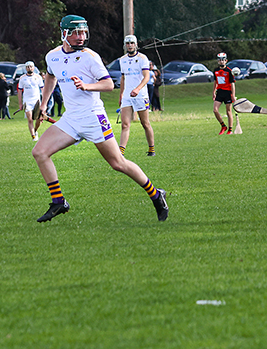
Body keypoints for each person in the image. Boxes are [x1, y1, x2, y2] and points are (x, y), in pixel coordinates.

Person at [32, 14, 168, 223]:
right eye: (76, 32)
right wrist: (43, 104)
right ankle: (59, 202)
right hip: (71, 119)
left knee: (118, 163)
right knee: (40, 152)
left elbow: (108, 84)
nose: (81, 37)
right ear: (64, 34)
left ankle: (156, 194)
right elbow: (51, 76)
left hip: (93, 117)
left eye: (84, 32)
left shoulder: (89, 57)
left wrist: (87, 86)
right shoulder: (52, 56)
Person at [117, 34, 156, 156]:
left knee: (145, 123)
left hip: (140, 96)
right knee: (125, 124)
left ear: (136, 44)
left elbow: (146, 76)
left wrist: (138, 89)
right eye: (127, 43)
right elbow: (123, 78)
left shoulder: (142, 58)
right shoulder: (122, 60)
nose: (130, 46)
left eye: (132, 43)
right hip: (127, 97)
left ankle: (151, 149)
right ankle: (121, 152)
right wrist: (121, 94)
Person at [18, 61, 45, 141]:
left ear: (33, 67)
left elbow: (42, 89)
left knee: (38, 119)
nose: (29, 68)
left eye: (31, 66)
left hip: (36, 100)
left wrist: (44, 102)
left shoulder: (38, 77)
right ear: (26, 68)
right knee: (30, 119)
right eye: (28, 67)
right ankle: (33, 136)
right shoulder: (22, 78)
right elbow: (19, 91)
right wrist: (20, 103)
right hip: (27, 101)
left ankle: (35, 130)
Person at [213, 52, 236, 134]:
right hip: (219, 92)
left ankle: (230, 130)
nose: (221, 61)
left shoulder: (229, 71)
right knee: (215, 110)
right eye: (219, 60)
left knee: (228, 111)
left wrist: (233, 95)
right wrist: (214, 92)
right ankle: (223, 125)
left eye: (223, 60)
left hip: (227, 93)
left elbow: (233, 84)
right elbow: (215, 82)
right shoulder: (216, 70)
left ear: (226, 61)